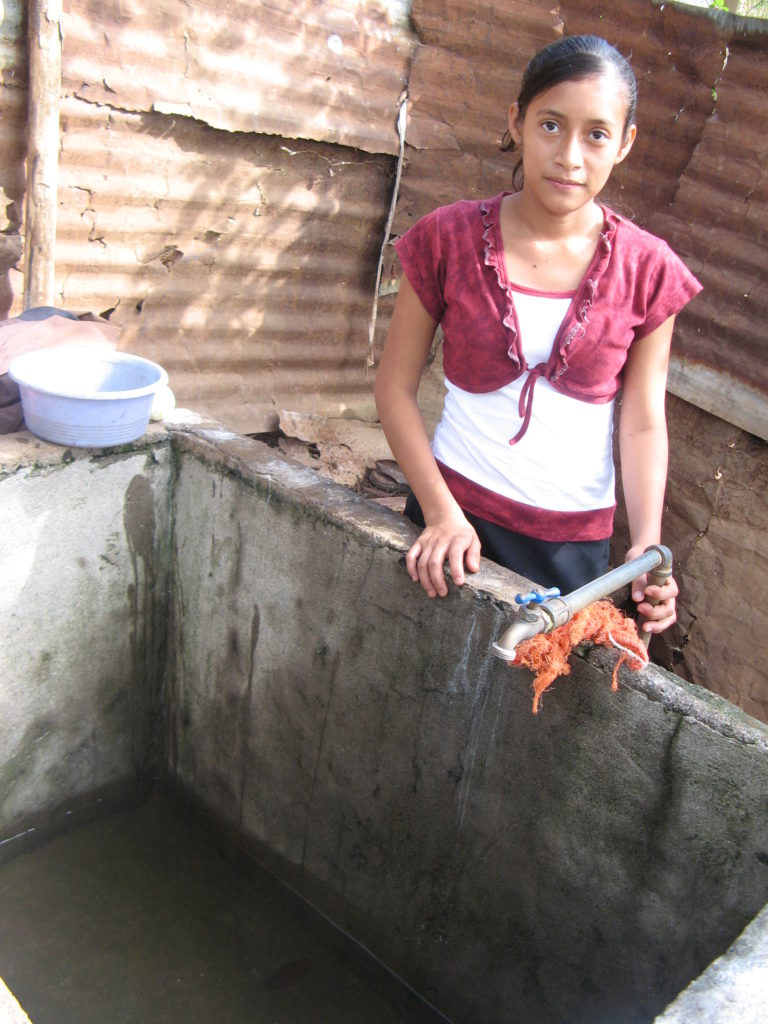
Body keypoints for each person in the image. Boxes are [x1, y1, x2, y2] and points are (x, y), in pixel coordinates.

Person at [374, 34, 702, 638]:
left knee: (534, 698)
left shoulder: (649, 270)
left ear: (624, 144)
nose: (570, 156)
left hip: (570, 546)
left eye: (597, 134)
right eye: (551, 125)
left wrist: (647, 546)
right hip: (451, 515)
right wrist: (441, 512)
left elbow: (643, 420)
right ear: (517, 121)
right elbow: (393, 388)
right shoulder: (445, 239)